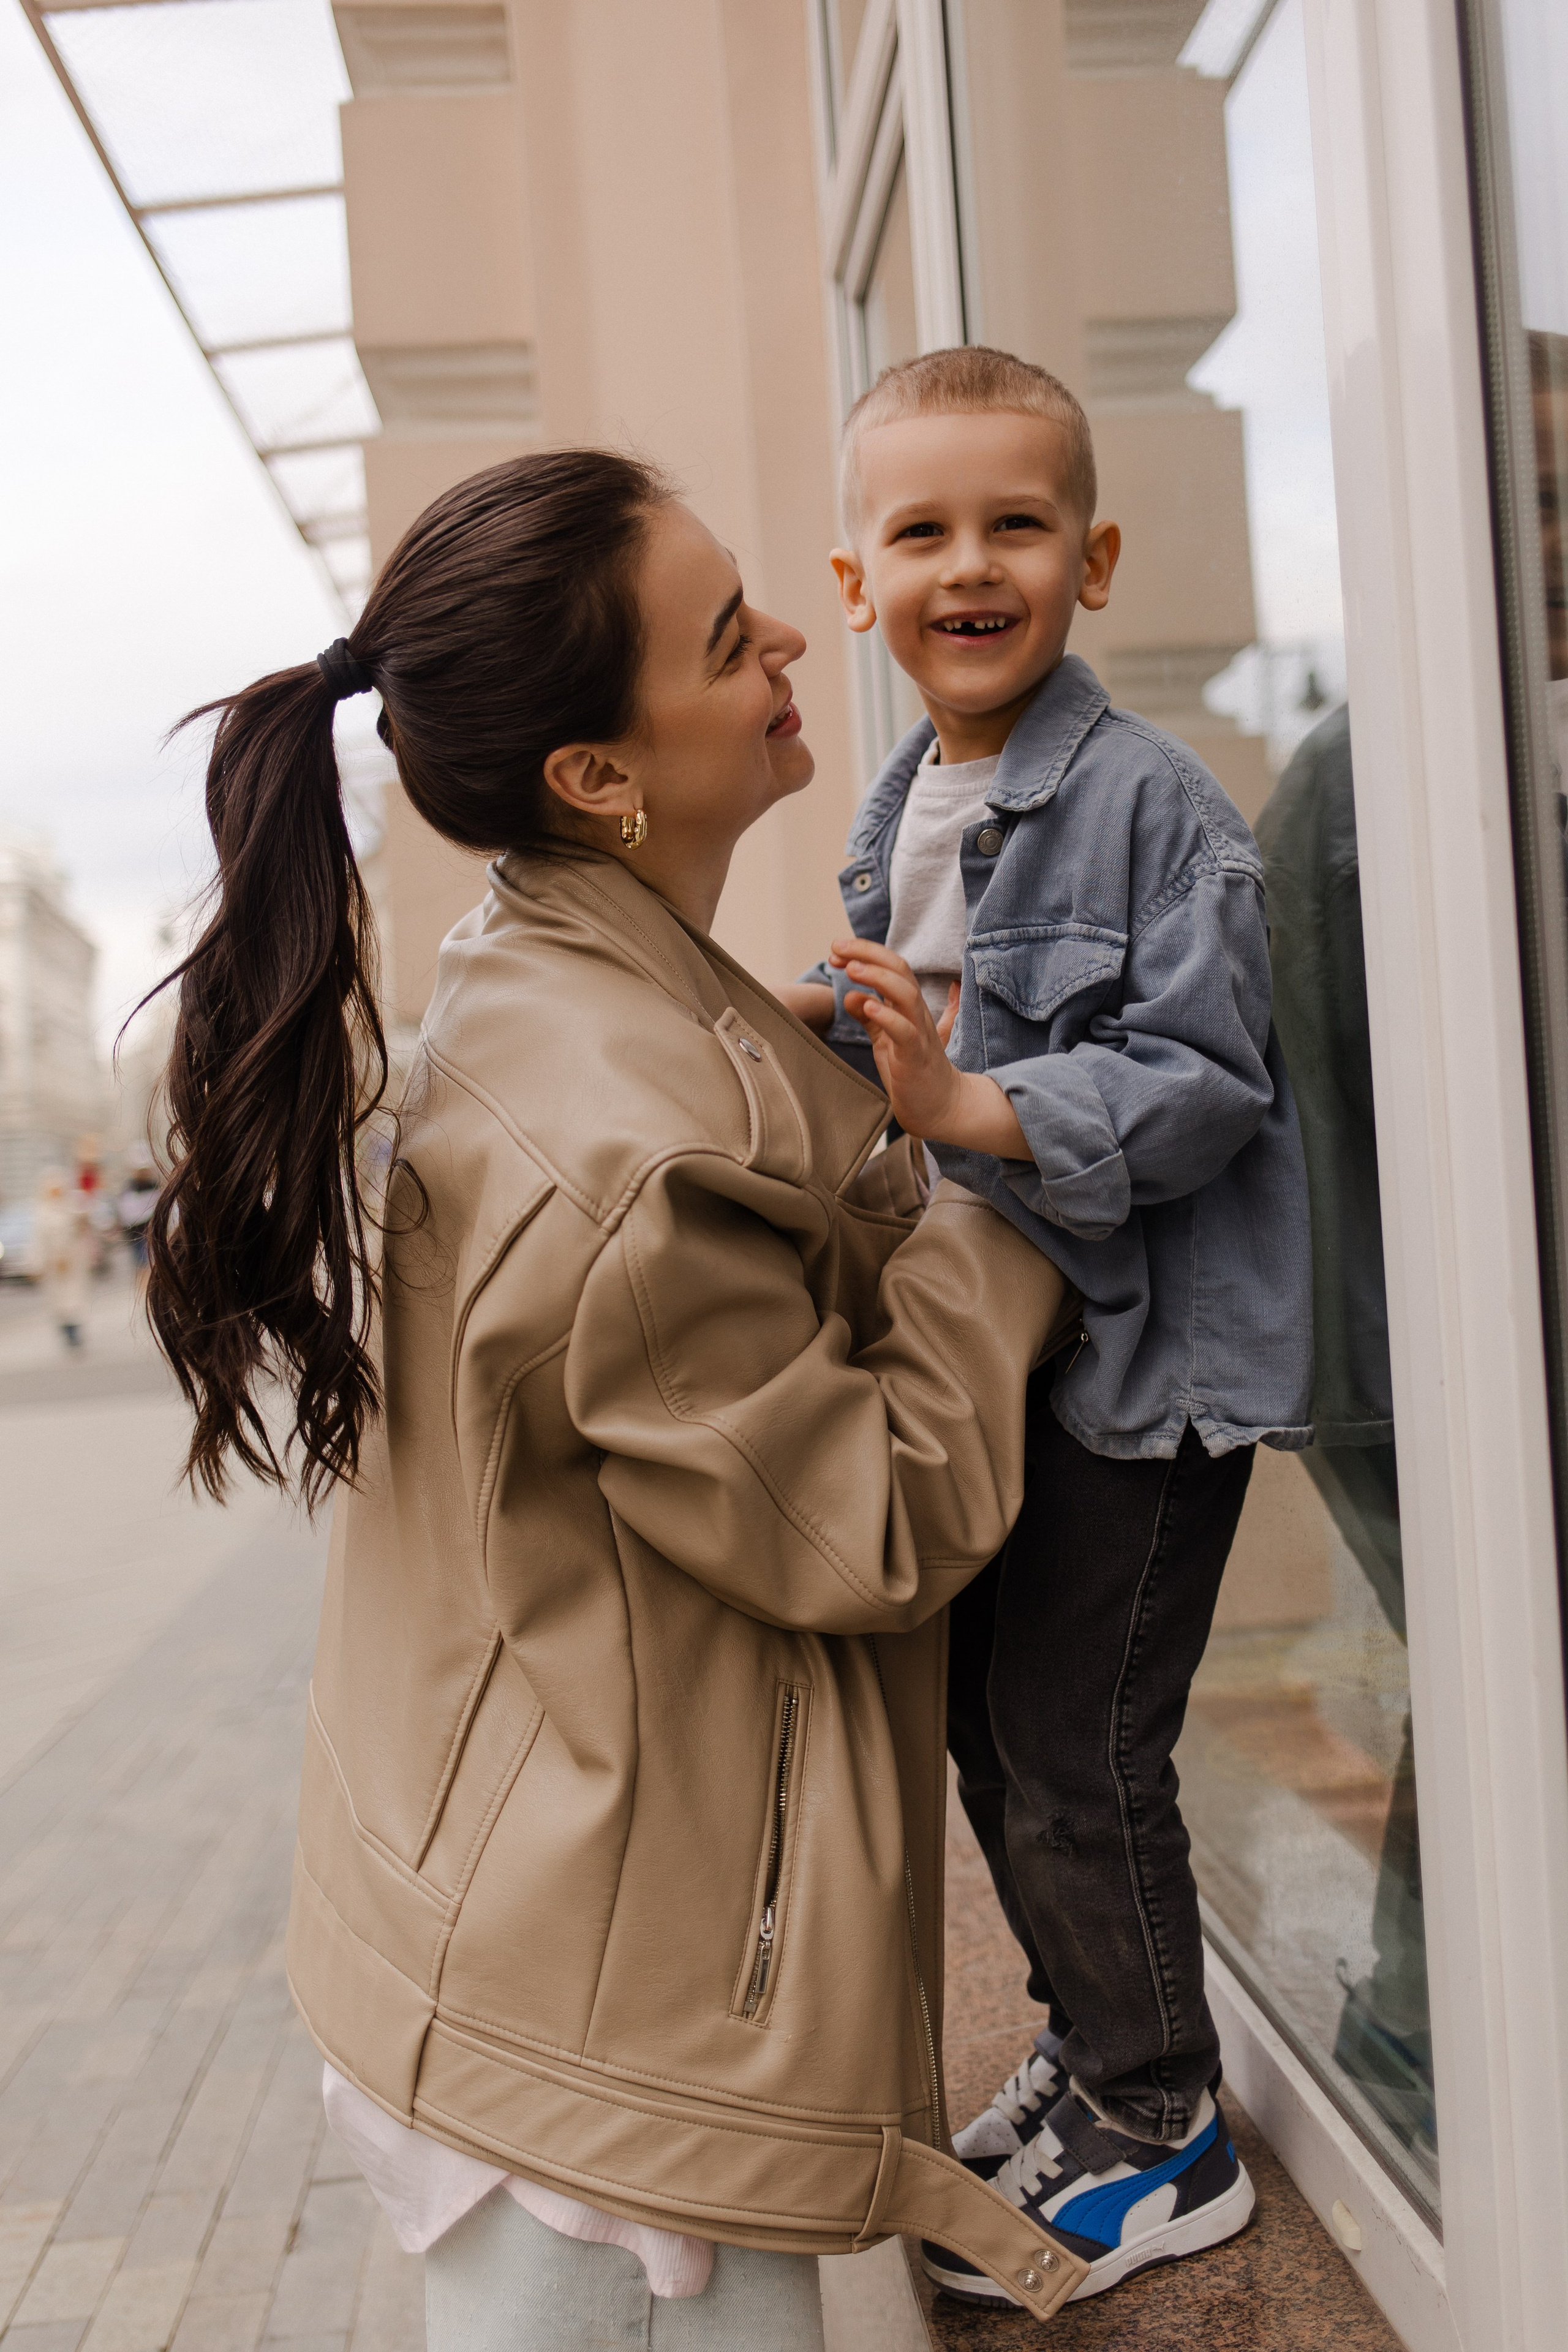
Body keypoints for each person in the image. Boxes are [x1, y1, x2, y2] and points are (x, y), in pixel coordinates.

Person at [142, 449, 1087, 2351]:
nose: (792, 645)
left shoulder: (534, 968)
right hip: (611, 2045)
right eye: (729, 636)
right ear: (597, 774)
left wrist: (815, 1079)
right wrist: (1010, 1197)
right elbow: (863, 1515)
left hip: (516, 1932)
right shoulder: (635, 1135)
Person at [780, 348, 1313, 2305]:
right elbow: (921, 1025)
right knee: (977, 1720)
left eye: (1014, 523)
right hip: (994, 1354)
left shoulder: (1154, 803)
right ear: (857, 584)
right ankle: (1096, 2051)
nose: (969, 562)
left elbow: (1204, 1081)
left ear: (1088, 556)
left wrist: (973, 1107)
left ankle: (1166, 2119)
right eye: (920, 530)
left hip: (1140, 1370)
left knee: (1080, 1741)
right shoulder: (904, 799)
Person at [34, 1167, 89, 1349]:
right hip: (53, 1265)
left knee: (74, 1298)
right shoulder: (42, 1213)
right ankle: (65, 1330)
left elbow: (83, 1231)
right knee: (58, 1301)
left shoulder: (71, 1208)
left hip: (73, 1261)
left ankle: (75, 1331)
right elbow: (37, 1241)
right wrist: (37, 1264)